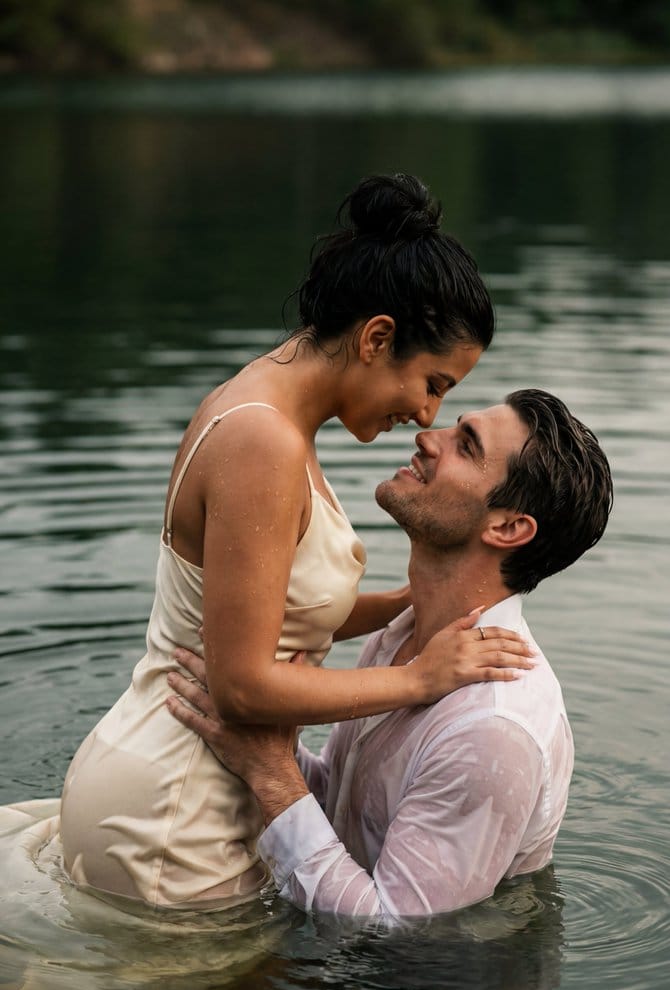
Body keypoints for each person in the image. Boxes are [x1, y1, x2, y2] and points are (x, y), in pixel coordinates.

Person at [53, 172, 532, 912]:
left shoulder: (268, 406)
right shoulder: (263, 442)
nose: (428, 413)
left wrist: (416, 602)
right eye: (432, 383)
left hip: (177, 778)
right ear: (377, 338)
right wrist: (421, 678)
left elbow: (270, 610)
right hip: (175, 813)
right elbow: (243, 687)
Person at [167, 389, 613, 924]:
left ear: (507, 528)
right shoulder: (406, 635)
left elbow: (396, 929)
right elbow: (350, 806)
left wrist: (270, 773)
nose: (427, 437)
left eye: (465, 446)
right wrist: (265, 731)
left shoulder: (495, 728)